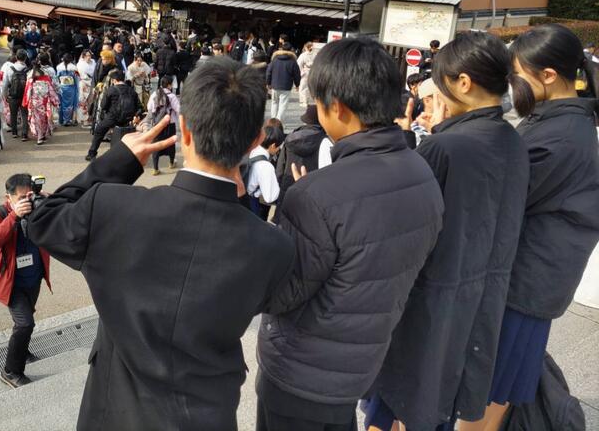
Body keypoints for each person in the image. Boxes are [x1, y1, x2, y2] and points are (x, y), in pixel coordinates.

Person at [26, 58, 295, 431]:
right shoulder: (273, 247)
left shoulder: (112, 207)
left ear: (184, 130)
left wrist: (119, 160)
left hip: (113, 414)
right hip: (208, 417)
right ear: (255, 142)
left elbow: (42, 220)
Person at [256, 37, 444, 431]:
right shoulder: (422, 173)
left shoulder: (316, 195)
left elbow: (279, 294)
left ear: (337, 107)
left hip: (299, 372)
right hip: (361, 365)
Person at [367, 31, 532, 431]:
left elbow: (403, 229)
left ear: (463, 83)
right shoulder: (513, 141)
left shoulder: (445, 147)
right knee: (440, 401)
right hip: (481, 299)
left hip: (427, 299)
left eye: (440, 83)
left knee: (393, 404)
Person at [461, 25, 599, 431]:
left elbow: (500, 199)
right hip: (531, 281)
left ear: (548, 76)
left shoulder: (561, 137)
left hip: (525, 286)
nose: (512, 86)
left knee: (487, 395)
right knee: (498, 388)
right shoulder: (561, 122)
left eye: (517, 76)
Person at [0, 174, 52, 388]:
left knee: (26, 318)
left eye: (29, 196)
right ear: (8, 197)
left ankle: (22, 351)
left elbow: (60, 216)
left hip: (33, 277)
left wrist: (47, 200)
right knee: (25, 323)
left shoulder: (37, 206)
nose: (26, 201)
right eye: (21, 197)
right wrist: (14, 215)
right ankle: (10, 372)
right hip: (11, 282)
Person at [272, 104, 327, 220]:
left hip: (288, 188)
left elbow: (280, 168)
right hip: (313, 192)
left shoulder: (290, 138)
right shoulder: (325, 140)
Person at [86, 69, 140, 161]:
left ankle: (91, 154)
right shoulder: (131, 90)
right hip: (127, 119)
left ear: (114, 80)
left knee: (99, 131)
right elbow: (138, 106)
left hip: (113, 118)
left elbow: (103, 106)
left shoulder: (111, 90)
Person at [243, 120, 283, 220]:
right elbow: (270, 197)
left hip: (239, 197)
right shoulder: (266, 166)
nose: (278, 150)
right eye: (278, 147)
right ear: (273, 146)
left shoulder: (251, 149)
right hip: (251, 202)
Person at [146, 75, 180, 175]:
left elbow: (149, 107)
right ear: (169, 85)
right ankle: (171, 163)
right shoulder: (172, 96)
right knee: (171, 144)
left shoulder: (154, 94)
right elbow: (178, 109)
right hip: (169, 124)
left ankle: (155, 169)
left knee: (156, 145)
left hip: (157, 124)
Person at [23, 61, 59, 146]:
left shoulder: (30, 77)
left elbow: (27, 91)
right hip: (44, 102)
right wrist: (55, 100)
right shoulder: (45, 75)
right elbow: (51, 89)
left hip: (34, 102)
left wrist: (26, 101)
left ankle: (40, 136)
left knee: (36, 120)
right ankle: (42, 135)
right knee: (44, 119)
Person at [266, 42, 301, 121]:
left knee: (274, 103)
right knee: (283, 105)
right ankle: (279, 122)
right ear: (291, 50)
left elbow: (269, 72)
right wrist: (297, 84)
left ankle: (273, 120)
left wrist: (268, 83)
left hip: (275, 85)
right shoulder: (293, 61)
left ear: (281, 49)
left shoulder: (275, 59)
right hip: (286, 86)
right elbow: (297, 74)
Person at [4, 50, 31, 141]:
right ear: (25, 58)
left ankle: (14, 132)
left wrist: (5, 95)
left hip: (13, 95)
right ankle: (24, 134)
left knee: (13, 114)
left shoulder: (10, 68)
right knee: (25, 114)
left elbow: (5, 83)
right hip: (24, 95)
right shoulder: (28, 69)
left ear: (16, 57)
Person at [56, 54, 79, 127]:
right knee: (69, 104)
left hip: (61, 87)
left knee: (61, 104)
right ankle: (67, 120)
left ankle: (61, 120)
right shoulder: (74, 68)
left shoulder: (59, 67)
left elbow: (57, 78)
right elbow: (77, 79)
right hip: (70, 88)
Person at [75, 50, 96, 127]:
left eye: (89, 55)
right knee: (83, 102)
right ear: (83, 56)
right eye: (87, 55)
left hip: (92, 83)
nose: (88, 57)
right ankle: (84, 120)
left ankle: (90, 119)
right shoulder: (80, 64)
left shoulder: (93, 62)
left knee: (91, 101)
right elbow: (82, 74)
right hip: (84, 83)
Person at [296, 42, 316, 108]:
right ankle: (308, 101)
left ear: (306, 47)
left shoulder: (303, 55)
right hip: (313, 72)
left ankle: (304, 101)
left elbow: (299, 64)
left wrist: (300, 72)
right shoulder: (315, 54)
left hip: (305, 71)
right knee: (309, 87)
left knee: (303, 87)